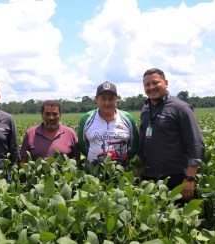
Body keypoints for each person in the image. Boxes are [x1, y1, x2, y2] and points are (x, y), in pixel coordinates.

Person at [137, 68, 205, 202]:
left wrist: (189, 179)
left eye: (155, 83)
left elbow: (196, 144)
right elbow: (142, 143)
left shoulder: (180, 108)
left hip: (176, 178)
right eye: (147, 84)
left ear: (166, 83)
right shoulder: (145, 109)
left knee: (179, 219)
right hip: (149, 178)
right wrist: (138, 172)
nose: (151, 87)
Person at [78, 81, 139, 169]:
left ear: (116, 99)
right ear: (96, 99)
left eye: (111, 99)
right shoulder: (86, 119)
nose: (107, 103)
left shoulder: (128, 118)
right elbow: (82, 145)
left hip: (121, 172)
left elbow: (134, 146)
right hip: (93, 173)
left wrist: (123, 160)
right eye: (103, 98)